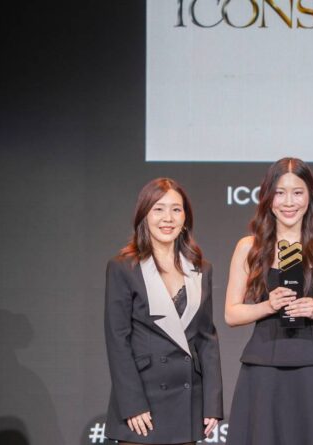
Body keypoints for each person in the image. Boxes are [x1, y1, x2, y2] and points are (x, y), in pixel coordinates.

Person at [224, 157, 313, 445]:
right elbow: (231, 314)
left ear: (311, 196)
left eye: (297, 193)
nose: (289, 202)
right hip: (264, 367)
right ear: (268, 197)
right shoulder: (249, 247)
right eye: (280, 193)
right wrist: (267, 306)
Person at [104, 178, 223, 445]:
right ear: (144, 215)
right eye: (158, 209)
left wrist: (212, 403)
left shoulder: (201, 269)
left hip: (187, 402)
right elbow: (117, 340)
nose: (167, 218)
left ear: (185, 218)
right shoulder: (123, 267)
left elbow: (207, 339)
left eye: (176, 209)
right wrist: (132, 404)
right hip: (142, 405)